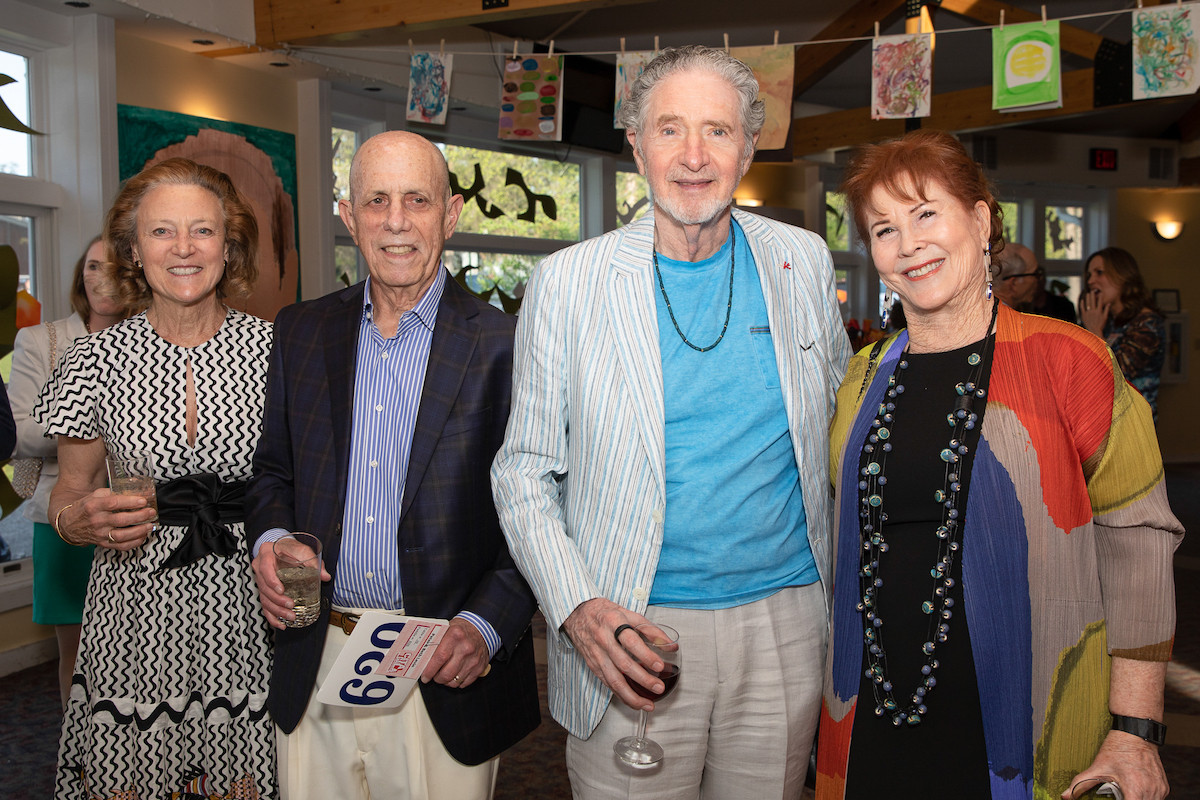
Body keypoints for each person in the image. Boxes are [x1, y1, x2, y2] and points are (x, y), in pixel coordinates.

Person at [492, 45, 850, 797]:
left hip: (784, 619)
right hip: (632, 625)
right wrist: (578, 608)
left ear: (749, 146)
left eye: (718, 131)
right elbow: (522, 468)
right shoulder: (568, 283)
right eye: (670, 130)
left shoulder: (803, 261)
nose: (694, 156)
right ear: (635, 143)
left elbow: (844, 425)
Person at [816, 130, 1182, 800]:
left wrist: (1134, 730)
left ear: (981, 220)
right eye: (884, 228)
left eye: (927, 213)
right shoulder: (862, 377)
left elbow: (1139, 547)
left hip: (1027, 714)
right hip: (872, 708)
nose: (909, 243)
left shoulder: (1072, 361)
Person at [246, 130, 539, 800]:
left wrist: (486, 625)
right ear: (349, 216)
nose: (397, 221)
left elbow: (543, 513)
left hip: (444, 668)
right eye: (377, 201)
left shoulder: (509, 348)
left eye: (417, 199)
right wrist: (269, 539)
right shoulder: (300, 331)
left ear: (451, 212)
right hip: (317, 651)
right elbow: (272, 472)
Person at [34, 158, 277, 798]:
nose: (184, 248)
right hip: (133, 611)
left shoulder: (279, 351)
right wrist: (76, 520)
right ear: (134, 251)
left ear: (229, 245)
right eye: (162, 232)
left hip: (248, 609)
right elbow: (68, 490)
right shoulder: (92, 358)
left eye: (202, 230)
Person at [10, 236, 129, 708]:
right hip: (63, 516)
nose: (102, 278)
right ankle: (80, 761)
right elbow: (21, 435)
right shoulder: (42, 340)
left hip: (135, 515)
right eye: (93, 266)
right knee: (78, 652)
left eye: (115, 267)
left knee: (130, 650)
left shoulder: (151, 339)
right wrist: (93, 422)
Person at [1080, 247, 1166, 417]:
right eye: (1089, 275)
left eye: (1099, 272)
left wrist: (1095, 331)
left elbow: (1119, 376)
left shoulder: (1148, 324)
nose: (1091, 281)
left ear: (1122, 276)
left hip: (1133, 424)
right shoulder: (1109, 321)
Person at [992, 242, 1076, 323]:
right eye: (1035, 274)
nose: (1037, 281)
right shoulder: (1005, 323)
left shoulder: (991, 315)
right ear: (1014, 283)